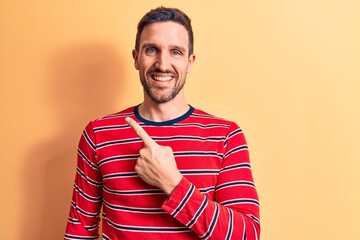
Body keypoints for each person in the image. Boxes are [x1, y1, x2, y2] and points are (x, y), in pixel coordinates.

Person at [65, 6, 260, 240]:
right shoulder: (98, 134)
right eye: (151, 50)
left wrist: (172, 183)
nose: (163, 64)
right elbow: (79, 232)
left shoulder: (226, 136)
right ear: (136, 58)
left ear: (190, 62)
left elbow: (247, 235)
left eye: (175, 52)